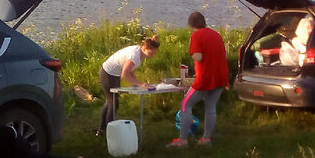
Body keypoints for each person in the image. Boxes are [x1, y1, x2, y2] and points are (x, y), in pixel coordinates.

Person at [169, 12, 228, 147]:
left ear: (191, 24)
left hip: (205, 78)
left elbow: (198, 57)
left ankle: (182, 140)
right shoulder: (216, 34)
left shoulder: (196, 35)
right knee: (211, 106)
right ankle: (206, 139)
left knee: (185, 105)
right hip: (221, 76)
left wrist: (193, 56)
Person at [97, 35, 159, 135]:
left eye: (154, 53)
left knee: (110, 102)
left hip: (113, 74)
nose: (152, 56)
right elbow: (125, 75)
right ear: (144, 48)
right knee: (113, 103)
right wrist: (140, 84)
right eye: (151, 53)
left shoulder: (139, 51)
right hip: (108, 74)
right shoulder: (134, 56)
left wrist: (138, 83)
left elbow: (131, 70)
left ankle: (102, 130)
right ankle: (109, 132)